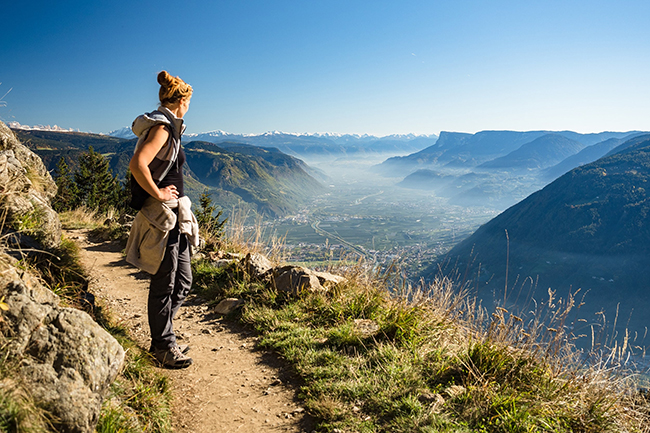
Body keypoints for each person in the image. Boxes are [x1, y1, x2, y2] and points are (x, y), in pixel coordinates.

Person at [127, 70, 197, 368]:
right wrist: (157, 192)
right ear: (182, 100)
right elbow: (137, 164)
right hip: (163, 217)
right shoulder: (163, 129)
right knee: (165, 282)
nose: (191, 105)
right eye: (190, 100)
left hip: (175, 215)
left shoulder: (169, 127)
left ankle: (164, 335)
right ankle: (163, 346)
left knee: (182, 280)